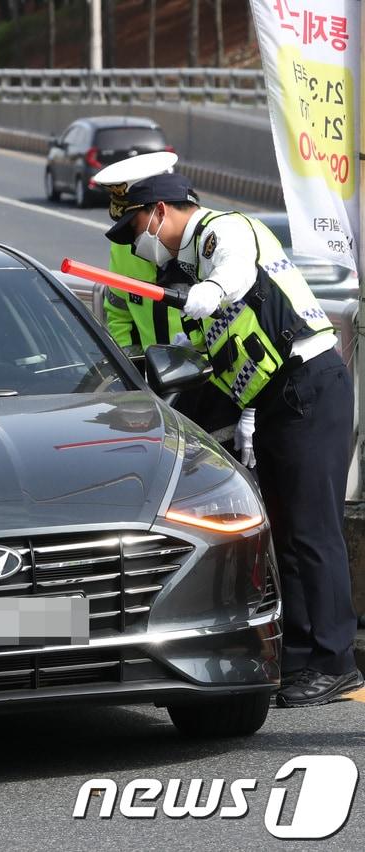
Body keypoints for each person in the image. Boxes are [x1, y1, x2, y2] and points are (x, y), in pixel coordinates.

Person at [104, 169, 362, 708]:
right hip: (275, 400)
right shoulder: (189, 265)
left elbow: (237, 268)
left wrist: (212, 291)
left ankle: (335, 662)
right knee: (286, 531)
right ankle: (300, 658)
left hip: (309, 386)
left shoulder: (222, 231)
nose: (137, 243)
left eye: (136, 227)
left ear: (159, 212)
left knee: (314, 532)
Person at [92, 153, 238, 444]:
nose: (134, 236)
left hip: (214, 381)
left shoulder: (209, 237)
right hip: (158, 386)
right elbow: (119, 311)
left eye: (136, 223)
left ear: (159, 206)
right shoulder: (124, 247)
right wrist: (134, 377)